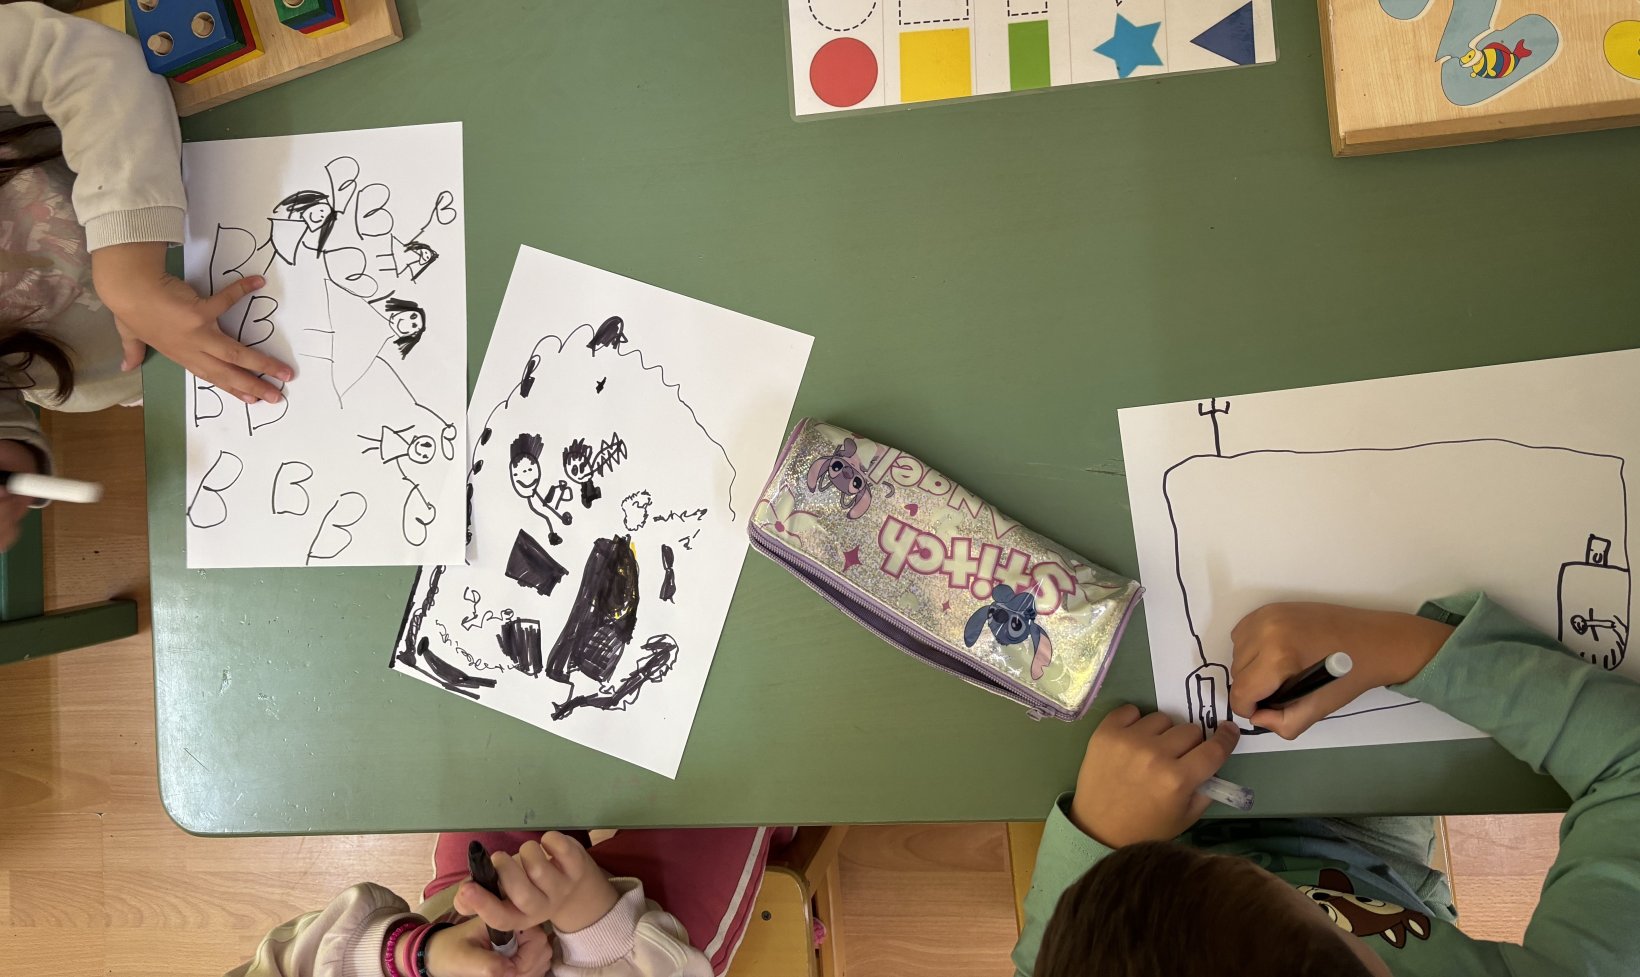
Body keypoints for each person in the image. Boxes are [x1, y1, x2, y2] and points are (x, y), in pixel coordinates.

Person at [1016, 594, 1640, 976]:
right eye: (1280, 894)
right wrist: (1403, 646)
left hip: (1141, 840)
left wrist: (1100, 840)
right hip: (1371, 860)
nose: (1246, 868)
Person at [0, 1, 292, 551]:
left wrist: (128, 274)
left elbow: (85, 61)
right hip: (158, 373)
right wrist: (10, 462)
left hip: (209, 178)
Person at [229, 826, 783, 977]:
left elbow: (287, 962)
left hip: (458, 923)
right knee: (739, 788)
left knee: (496, 735)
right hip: (635, 954)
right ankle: (780, 833)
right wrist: (591, 922)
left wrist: (418, 955)